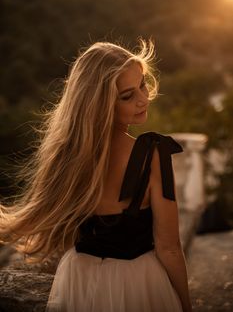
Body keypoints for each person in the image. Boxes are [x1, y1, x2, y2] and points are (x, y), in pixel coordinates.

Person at [0, 40, 192, 312]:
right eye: (127, 95)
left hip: (78, 279)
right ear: (100, 103)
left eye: (142, 84)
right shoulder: (153, 154)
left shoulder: (67, 156)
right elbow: (169, 247)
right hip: (137, 283)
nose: (143, 98)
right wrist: (186, 304)